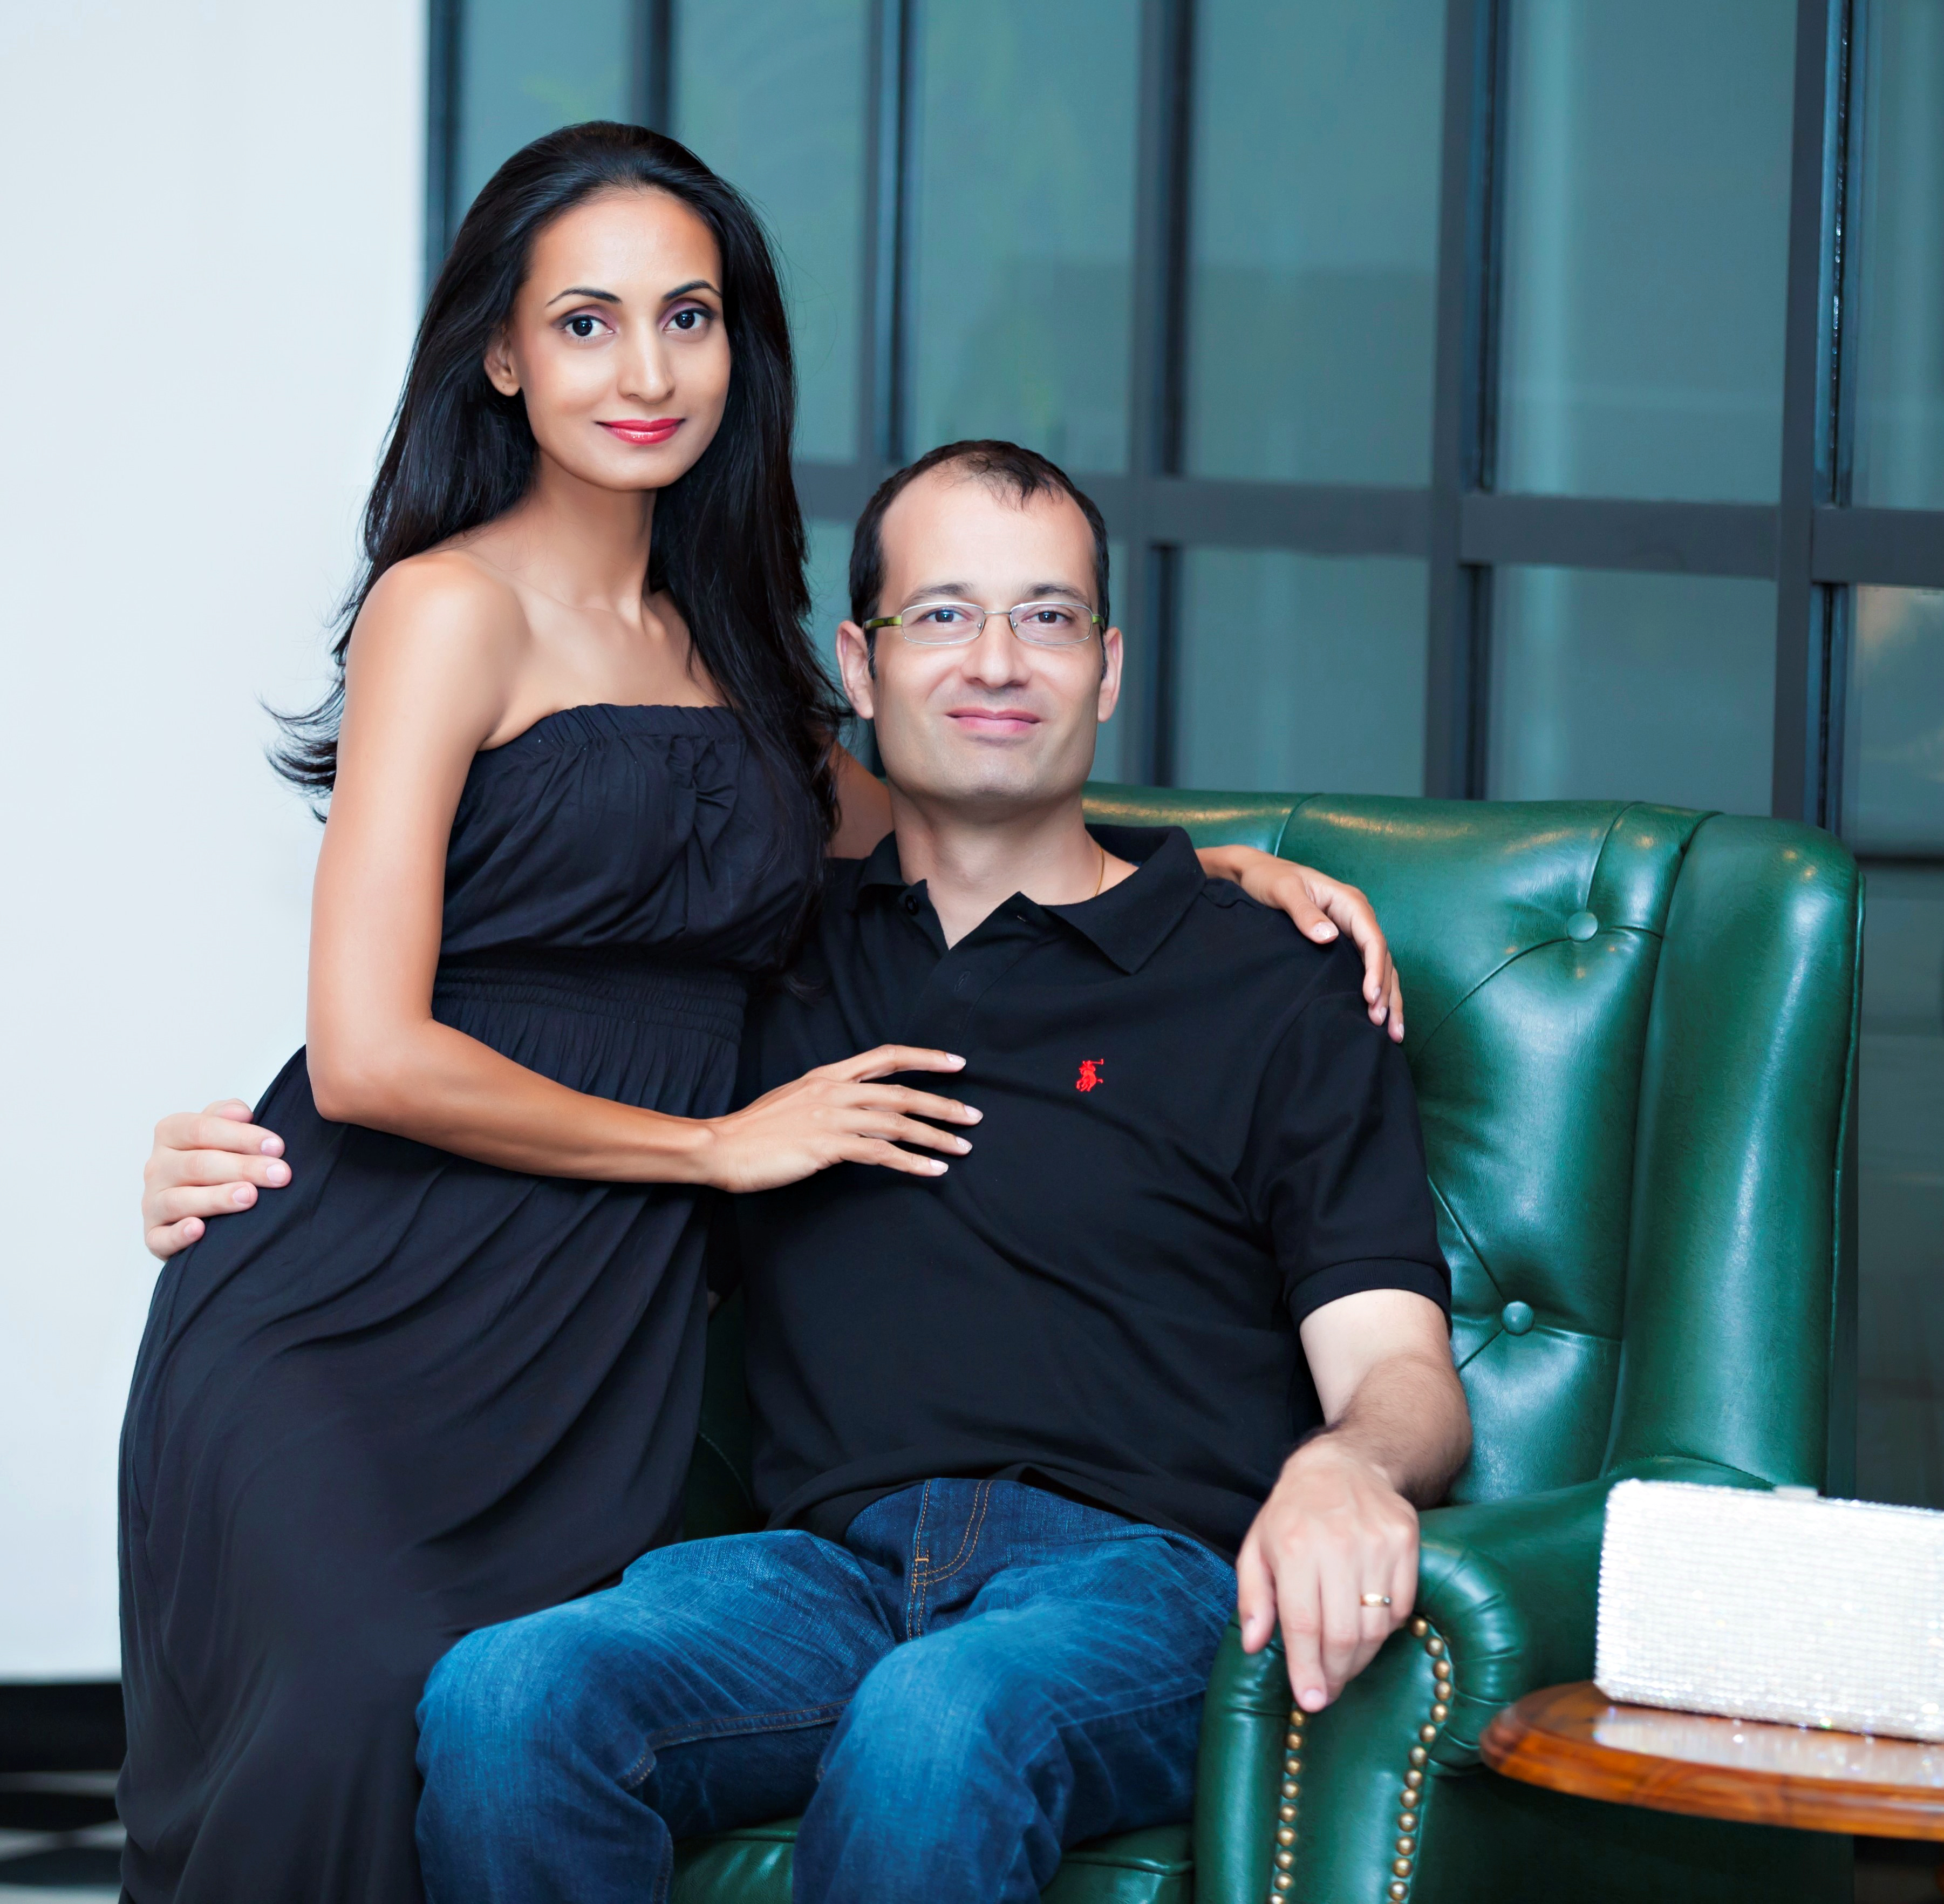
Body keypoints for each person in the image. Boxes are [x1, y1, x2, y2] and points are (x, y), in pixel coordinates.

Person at [124, 133, 1402, 1904]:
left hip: (585, 1326)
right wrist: (718, 1146)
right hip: (371, 1289)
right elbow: (366, 1054)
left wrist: (1225, 865)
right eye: (585, 322)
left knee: (477, 1708)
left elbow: (965, 799)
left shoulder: (735, 654)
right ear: (501, 355)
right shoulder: (447, 605)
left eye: (689, 316)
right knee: (347, 1722)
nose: (644, 370)